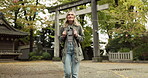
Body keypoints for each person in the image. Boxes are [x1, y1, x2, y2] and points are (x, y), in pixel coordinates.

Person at [59, 11, 84, 78]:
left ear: (74, 17)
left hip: (76, 51)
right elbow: (60, 40)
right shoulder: (63, 27)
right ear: (66, 17)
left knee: (74, 75)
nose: (70, 16)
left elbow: (82, 39)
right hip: (67, 51)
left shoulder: (78, 27)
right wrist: (63, 36)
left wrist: (77, 35)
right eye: (68, 15)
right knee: (67, 73)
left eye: (72, 14)